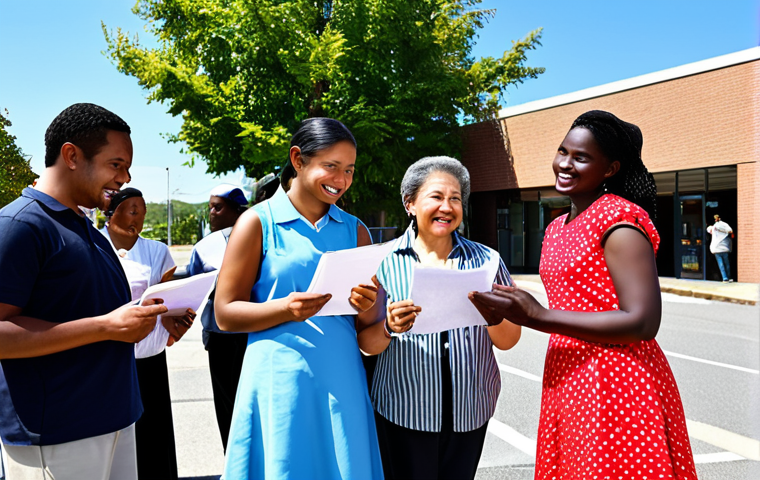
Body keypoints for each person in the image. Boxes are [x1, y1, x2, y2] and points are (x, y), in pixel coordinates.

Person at [470, 111, 698, 479]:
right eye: (563, 151)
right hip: (570, 376)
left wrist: (538, 316)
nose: (565, 163)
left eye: (581, 157)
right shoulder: (558, 226)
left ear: (610, 169)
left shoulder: (619, 222)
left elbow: (642, 321)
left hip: (616, 382)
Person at [0, 103, 168, 479]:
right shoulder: (20, 226)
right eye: (116, 164)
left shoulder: (86, 228)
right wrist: (106, 327)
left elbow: (92, 310)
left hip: (116, 419)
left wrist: (151, 312)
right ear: (72, 155)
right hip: (59, 433)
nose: (124, 177)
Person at [214, 117, 384, 479]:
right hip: (278, 381)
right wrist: (284, 309)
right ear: (297, 159)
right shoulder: (257, 222)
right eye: (331, 167)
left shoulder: (357, 230)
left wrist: (370, 308)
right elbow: (225, 313)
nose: (341, 180)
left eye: (350, 170)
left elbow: (369, 331)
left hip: (343, 381)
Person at [357, 157, 522, 480]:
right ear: (410, 203)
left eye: (455, 198)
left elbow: (509, 340)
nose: (447, 206)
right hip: (403, 411)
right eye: (436, 196)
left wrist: (492, 318)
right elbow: (366, 343)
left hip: (470, 410)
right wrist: (390, 326)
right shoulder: (382, 262)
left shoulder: (487, 261)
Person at [101, 187, 195, 480]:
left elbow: (170, 303)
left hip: (149, 359)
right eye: (132, 211)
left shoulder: (157, 251)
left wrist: (176, 324)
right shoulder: (93, 247)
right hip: (108, 359)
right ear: (111, 212)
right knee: (111, 440)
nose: (138, 220)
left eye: (142, 213)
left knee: (153, 436)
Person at [186, 184, 252, 452]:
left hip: (254, 332)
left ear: (237, 210)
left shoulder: (261, 237)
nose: (212, 213)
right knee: (227, 405)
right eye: (210, 207)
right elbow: (192, 287)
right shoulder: (204, 247)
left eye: (218, 207)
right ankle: (235, 461)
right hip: (220, 337)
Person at [707, 214, 734, 282]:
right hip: (725, 248)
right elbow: (730, 231)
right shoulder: (725, 225)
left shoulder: (714, 227)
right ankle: (729, 276)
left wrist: (715, 229)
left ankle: (725, 277)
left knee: (721, 264)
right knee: (726, 263)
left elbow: (708, 229)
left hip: (716, 248)